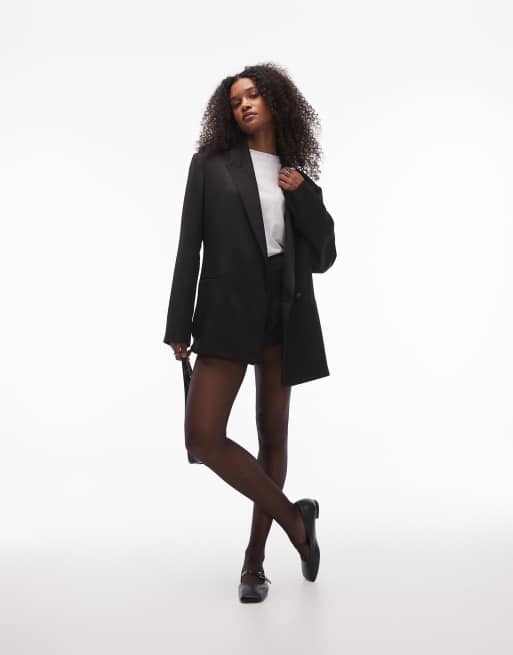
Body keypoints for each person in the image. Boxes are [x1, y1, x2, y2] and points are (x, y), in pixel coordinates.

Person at [163, 62, 337, 603]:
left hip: (283, 312)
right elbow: (189, 245)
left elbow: (325, 256)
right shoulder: (210, 165)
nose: (244, 104)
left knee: (272, 435)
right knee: (202, 437)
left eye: (254, 94)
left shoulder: (295, 174)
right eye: (236, 99)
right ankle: (296, 521)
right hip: (225, 311)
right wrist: (178, 323)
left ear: (275, 102)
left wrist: (302, 193)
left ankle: (254, 564)